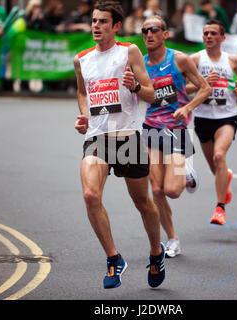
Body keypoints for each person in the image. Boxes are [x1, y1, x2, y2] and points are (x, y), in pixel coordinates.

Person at [73, 0, 165, 289]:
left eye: (102, 22)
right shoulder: (82, 59)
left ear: (115, 26)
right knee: (90, 195)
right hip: (98, 138)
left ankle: (156, 252)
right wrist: (85, 116)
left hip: (128, 137)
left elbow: (152, 95)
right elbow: (82, 92)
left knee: (143, 203)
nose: (95, 26)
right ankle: (114, 258)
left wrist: (135, 87)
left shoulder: (129, 52)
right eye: (93, 21)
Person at [141, 15, 210, 257]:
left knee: (172, 191)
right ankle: (172, 239)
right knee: (157, 190)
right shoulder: (140, 64)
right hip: (150, 128)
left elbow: (205, 88)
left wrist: (187, 107)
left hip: (177, 130)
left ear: (165, 34)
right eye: (145, 30)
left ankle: (188, 175)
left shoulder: (179, 59)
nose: (149, 34)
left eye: (154, 29)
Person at [187, 19, 237, 225]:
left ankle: (219, 209)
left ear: (223, 37)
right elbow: (182, 87)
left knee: (219, 155)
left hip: (227, 116)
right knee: (216, 168)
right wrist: (202, 84)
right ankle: (225, 179)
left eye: (213, 33)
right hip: (203, 118)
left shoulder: (232, 60)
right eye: (205, 33)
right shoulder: (195, 60)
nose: (208, 37)